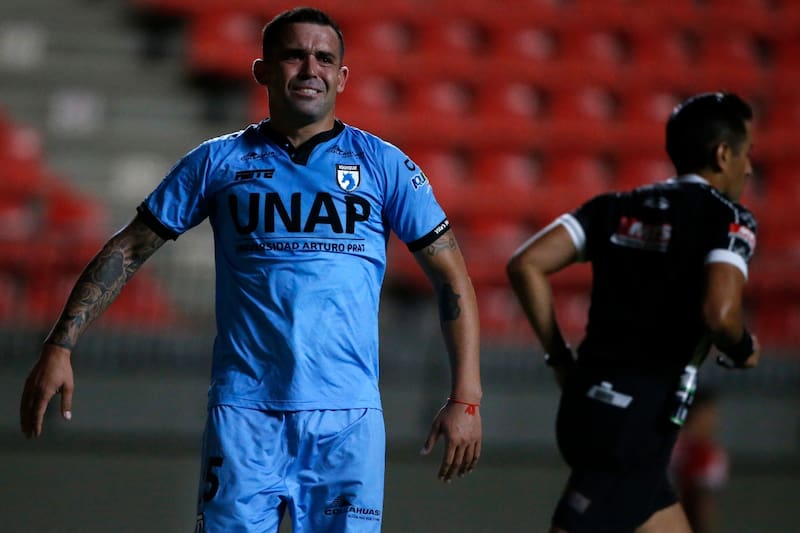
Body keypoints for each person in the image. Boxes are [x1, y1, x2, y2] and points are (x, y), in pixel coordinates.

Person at [19, 7, 482, 532]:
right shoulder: (219, 162)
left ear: (342, 77)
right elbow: (130, 248)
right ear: (262, 70)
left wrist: (466, 397)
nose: (311, 68)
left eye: (325, 58)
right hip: (245, 414)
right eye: (294, 55)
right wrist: (60, 344)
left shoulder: (384, 165)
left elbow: (452, 278)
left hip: (346, 421)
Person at [506, 91, 760, 533]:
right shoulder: (728, 219)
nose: (750, 166)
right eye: (746, 154)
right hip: (635, 422)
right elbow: (721, 315)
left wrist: (560, 358)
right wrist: (743, 348)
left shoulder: (615, 207)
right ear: (723, 155)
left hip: (587, 404)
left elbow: (526, 263)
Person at [670, 388, 729, 533]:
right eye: (712, 414)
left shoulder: (663, 442)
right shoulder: (704, 452)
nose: (715, 421)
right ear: (698, 415)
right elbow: (700, 502)